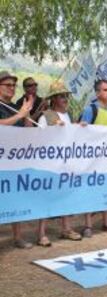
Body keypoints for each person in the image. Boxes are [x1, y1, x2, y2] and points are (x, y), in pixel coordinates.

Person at [36, 81, 83, 246]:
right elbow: (39, 140)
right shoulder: (46, 116)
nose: (65, 99)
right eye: (62, 96)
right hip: (50, 164)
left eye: (66, 96)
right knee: (46, 198)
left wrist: (78, 127)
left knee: (66, 196)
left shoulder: (68, 115)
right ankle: (41, 233)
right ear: (54, 99)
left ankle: (66, 229)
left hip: (66, 163)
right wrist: (53, 130)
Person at [80, 79, 107, 237]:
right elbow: (82, 132)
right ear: (97, 93)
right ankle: (88, 225)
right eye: (105, 90)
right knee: (90, 190)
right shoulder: (90, 109)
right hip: (92, 158)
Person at [0, 71, 34, 248]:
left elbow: (25, 131)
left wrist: (26, 115)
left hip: (14, 161)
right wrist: (20, 115)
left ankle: (17, 236)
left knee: (15, 197)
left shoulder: (15, 107)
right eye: (7, 85)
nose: (12, 88)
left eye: (14, 85)